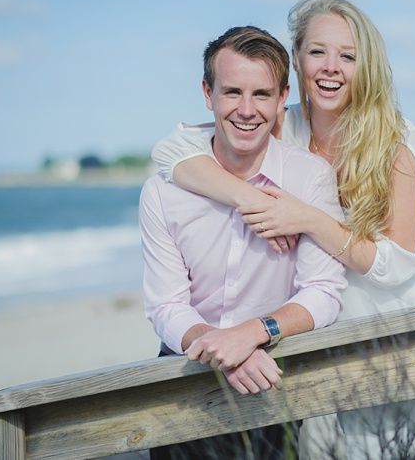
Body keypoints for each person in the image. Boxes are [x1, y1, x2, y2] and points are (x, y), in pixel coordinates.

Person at [152, 0, 415, 459]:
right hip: (353, 326)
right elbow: (171, 152)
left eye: (347, 56)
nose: (331, 68)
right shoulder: (285, 127)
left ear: (365, 66)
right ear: (298, 61)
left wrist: (305, 217)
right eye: (317, 52)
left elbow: (394, 265)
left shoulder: (395, 138)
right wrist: (249, 199)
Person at [140, 25, 347, 458]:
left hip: (272, 370)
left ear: (282, 97)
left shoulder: (309, 178)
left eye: (262, 95)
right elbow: (166, 305)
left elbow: (324, 292)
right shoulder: (164, 190)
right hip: (184, 371)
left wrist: (254, 334)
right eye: (232, 92)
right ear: (207, 93)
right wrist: (221, 348)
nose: (247, 110)